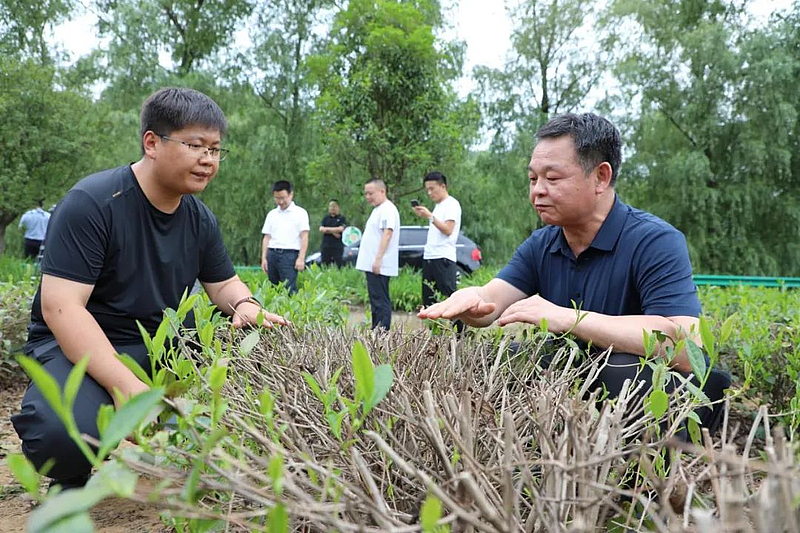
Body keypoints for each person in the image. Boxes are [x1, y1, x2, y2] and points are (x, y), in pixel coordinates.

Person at [11, 87, 288, 491]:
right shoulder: (92, 203)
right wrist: (124, 383)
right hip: (81, 344)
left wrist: (245, 304)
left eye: (215, 149)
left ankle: (220, 463)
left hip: (159, 343)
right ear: (152, 143)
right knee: (59, 434)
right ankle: (71, 476)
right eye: (195, 145)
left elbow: (224, 284)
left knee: (261, 348)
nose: (208, 159)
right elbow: (62, 308)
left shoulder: (200, 219)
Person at [419, 113, 725, 424]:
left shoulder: (654, 241)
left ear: (601, 177)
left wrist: (567, 318)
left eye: (552, 179)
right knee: (504, 359)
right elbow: (490, 301)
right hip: (579, 381)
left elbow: (687, 348)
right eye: (533, 179)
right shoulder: (543, 243)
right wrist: (471, 302)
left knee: (621, 369)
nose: (538, 190)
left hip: (645, 396)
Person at [412, 172, 462, 331]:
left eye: (432, 189)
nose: (429, 193)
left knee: (450, 299)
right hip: (430, 256)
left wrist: (430, 216)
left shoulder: (452, 204)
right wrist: (428, 216)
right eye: (427, 189)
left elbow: (448, 230)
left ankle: (460, 335)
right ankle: (434, 336)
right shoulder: (438, 206)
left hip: (443, 257)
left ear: (443, 186)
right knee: (429, 300)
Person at [356, 179, 400, 330]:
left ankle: (382, 332)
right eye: (366, 194)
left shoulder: (387, 209)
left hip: (380, 264)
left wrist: (378, 259)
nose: (368, 197)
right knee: (375, 300)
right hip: (373, 264)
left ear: (382, 191)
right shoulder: (378, 209)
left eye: (371, 193)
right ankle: (376, 330)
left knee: (380, 301)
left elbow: (387, 233)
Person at [260, 180, 309, 294]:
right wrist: (264, 258)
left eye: (283, 198)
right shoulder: (272, 214)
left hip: (289, 255)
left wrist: (301, 258)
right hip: (272, 254)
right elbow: (267, 237)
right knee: (273, 289)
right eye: (277, 198)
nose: (280, 201)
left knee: (289, 289)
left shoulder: (300, 213)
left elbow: (304, 237)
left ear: (291, 194)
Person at [319, 199, 348, 266]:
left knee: (338, 265)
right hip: (326, 246)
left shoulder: (341, 218)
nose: (332, 208)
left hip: (337, 246)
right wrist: (334, 232)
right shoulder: (326, 218)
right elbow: (321, 229)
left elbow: (341, 229)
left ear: (338, 207)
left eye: (334, 206)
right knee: (324, 265)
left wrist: (327, 230)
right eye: (330, 206)